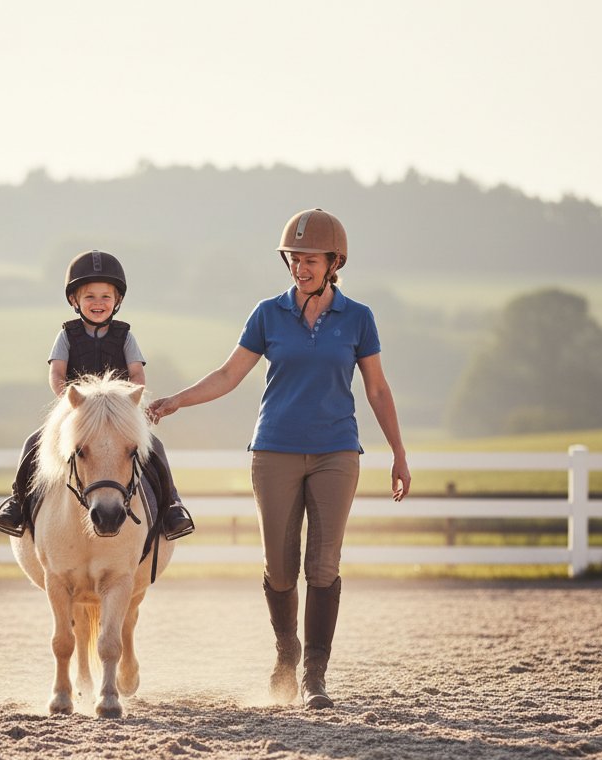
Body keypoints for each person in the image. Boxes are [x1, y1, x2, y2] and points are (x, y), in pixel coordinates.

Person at [148, 209, 410, 710]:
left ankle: (314, 674)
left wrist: (398, 452)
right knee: (280, 566)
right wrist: (178, 400)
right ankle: (285, 651)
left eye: (310, 260)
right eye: (294, 259)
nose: (300, 268)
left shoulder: (358, 318)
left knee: (324, 564)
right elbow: (228, 375)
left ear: (335, 262)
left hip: (337, 450)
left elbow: (376, 388)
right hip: (274, 451)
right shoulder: (268, 314)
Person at [0, 249, 195, 541]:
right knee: (33, 442)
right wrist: (69, 399)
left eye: (105, 297)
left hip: (118, 411)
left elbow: (136, 373)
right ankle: (17, 503)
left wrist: (132, 399)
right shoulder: (66, 335)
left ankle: (172, 506)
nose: (98, 303)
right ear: (75, 301)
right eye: (89, 297)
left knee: (156, 449)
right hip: (78, 410)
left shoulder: (125, 336)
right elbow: (57, 373)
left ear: (117, 301)